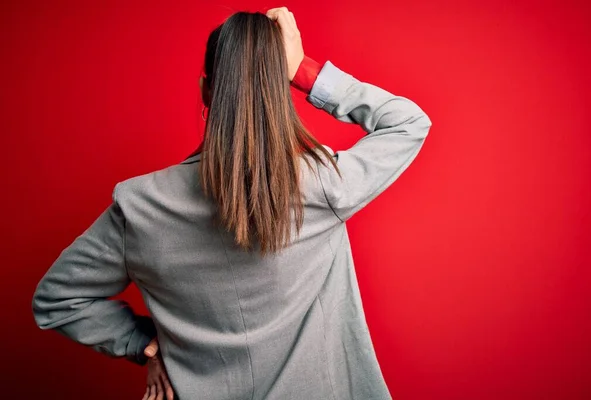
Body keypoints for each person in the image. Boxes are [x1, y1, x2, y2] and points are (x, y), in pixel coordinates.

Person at [31, 6, 432, 400]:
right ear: (280, 88)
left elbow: (57, 300)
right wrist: (303, 71)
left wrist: (144, 346)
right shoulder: (319, 184)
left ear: (207, 88)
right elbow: (409, 122)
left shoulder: (139, 206)